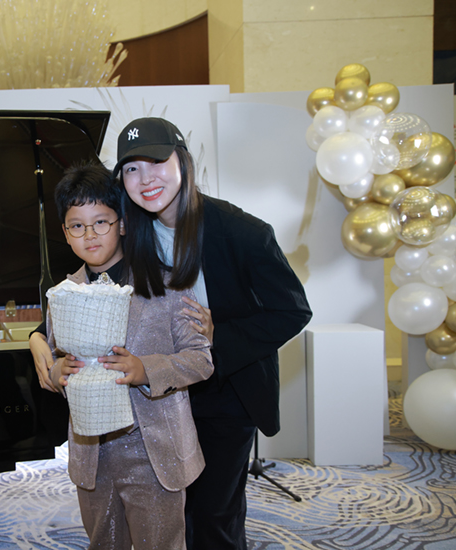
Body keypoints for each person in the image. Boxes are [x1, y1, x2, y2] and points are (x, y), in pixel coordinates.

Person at [112, 117, 312, 550]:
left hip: (225, 391)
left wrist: (219, 331)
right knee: (168, 510)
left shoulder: (241, 231)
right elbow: (87, 285)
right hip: (159, 394)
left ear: (182, 161)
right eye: (131, 169)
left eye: (156, 162)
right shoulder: (128, 233)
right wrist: (38, 336)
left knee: (214, 515)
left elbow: (292, 310)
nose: (145, 179)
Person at [38, 161, 214, 550]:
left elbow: (201, 359)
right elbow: (53, 363)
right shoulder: (62, 295)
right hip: (92, 455)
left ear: (121, 224)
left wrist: (145, 368)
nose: (90, 235)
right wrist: (57, 371)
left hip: (154, 453)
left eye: (101, 222)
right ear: (65, 233)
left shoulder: (168, 283)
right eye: (77, 226)